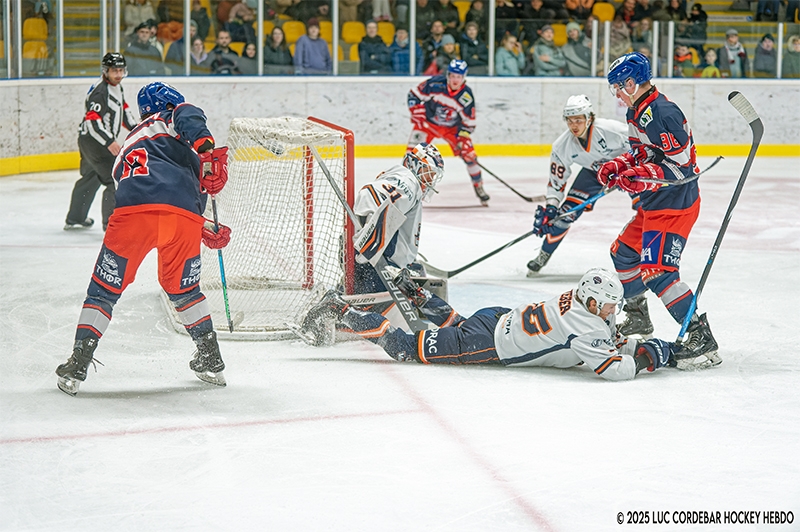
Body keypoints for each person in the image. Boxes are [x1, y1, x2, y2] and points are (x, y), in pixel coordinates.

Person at [55, 82, 232, 395]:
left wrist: (198, 222)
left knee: (103, 291)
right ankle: (210, 357)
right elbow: (189, 118)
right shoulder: (173, 119)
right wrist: (205, 151)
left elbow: (140, 187)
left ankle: (79, 361)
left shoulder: (130, 142)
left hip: (132, 217)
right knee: (185, 290)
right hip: (182, 220)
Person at [300, 268, 676, 381]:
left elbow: (605, 341)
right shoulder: (588, 326)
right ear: (593, 301)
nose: (613, 312)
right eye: (609, 306)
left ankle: (417, 295)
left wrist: (648, 347)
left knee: (460, 326)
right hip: (491, 342)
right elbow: (614, 370)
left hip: (494, 317)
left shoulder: (578, 303)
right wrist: (647, 355)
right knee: (403, 347)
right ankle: (339, 309)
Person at [598, 51, 720, 369]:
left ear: (631, 82)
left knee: (658, 272)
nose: (616, 94)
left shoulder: (662, 112)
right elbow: (643, 156)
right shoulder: (636, 112)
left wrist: (642, 179)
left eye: (618, 87)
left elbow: (684, 168)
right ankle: (638, 317)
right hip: (654, 204)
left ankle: (698, 333)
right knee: (624, 253)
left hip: (674, 205)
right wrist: (618, 165)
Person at [526, 95, 629, 276]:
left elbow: (641, 146)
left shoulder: (612, 130)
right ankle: (543, 255)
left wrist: (628, 170)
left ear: (589, 118)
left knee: (645, 208)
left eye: (579, 120)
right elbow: (556, 182)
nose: (574, 125)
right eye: (570, 120)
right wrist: (551, 208)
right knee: (563, 215)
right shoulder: (562, 146)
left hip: (627, 169)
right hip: (593, 173)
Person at [350, 142, 445, 294]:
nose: (430, 180)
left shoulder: (405, 180)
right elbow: (369, 194)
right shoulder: (409, 182)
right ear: (414, 164)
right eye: (429, 172)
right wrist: (368, 247)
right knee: (367, 308)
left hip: (382, 261)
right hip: (379, 264)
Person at [65, 53, 138, 232]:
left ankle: (76, 217)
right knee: (114, 179)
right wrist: (109, 141)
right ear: (106, 71)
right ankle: (111, 226)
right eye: (115, 71)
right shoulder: (101, 91)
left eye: (121, 70)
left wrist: (137, 129)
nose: (118, 74)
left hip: (89, 141)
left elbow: (123, 110)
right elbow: (92, 121)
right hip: (95, 143)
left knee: (90, 178)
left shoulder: (116, 88)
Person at [407, 59, 490, 204]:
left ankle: (479, 186)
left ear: (464, 77)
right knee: (412, 155)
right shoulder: (435, 84)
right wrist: (415, 110)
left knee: (470, 156)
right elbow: (413, 95)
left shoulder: (466, 97)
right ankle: (406, 188)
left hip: (452, 129)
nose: (455, 80)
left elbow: (469, 123)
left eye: (458, 77)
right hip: (428, 124)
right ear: (448, 75)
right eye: (452, 76)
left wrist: (463, 140)